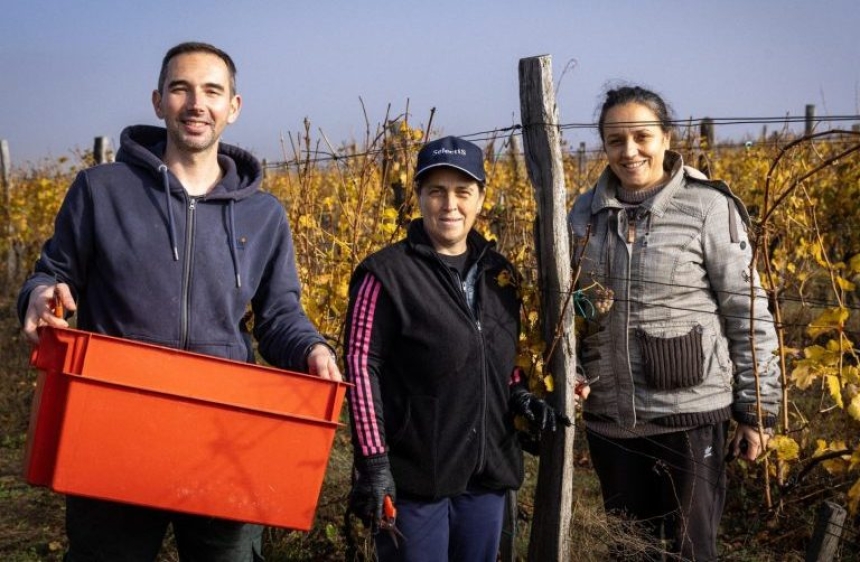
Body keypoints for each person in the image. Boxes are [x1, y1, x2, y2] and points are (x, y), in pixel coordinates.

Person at [18, 41, 341, 562]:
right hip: (114, 425)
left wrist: (313, 349)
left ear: (233, 107)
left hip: (224, 434)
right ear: (158, 101)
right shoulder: (101, 190)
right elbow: (52, 273)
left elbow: (280, 316)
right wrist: (39, 295)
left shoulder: (264, 215)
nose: (196, 104)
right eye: (180, 89)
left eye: (212, 91)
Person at [568, 85, 781, 561]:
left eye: (642, 136)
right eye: (616, 140)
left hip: (690, 417)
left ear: (666, 138)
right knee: (630, 551)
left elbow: (747, 311)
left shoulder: (707, 207)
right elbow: (570, 314)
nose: (630, 151)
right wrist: (575, 374)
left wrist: (757, 410)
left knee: (690, 550)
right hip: (612, 421)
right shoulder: (582, 215)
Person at [343, 136, 562, 562]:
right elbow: (360, 364)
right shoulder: (385, 275)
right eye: (436, 191)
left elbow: (502, 356)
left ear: (480, 197)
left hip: (487, 470)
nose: (450, 205)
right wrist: (374, 463)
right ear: (418, 196)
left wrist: (519, 393)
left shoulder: (501, 275)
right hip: (415, 477)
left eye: (463, 191)